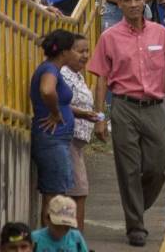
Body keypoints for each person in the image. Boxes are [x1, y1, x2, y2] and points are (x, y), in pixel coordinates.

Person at [87, 0, 165, 247]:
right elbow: (102, 79)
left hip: (154, 107)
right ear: (119, 4)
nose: (133, 4)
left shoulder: (160, 34)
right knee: (128, 169)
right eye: (127, 0)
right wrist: (100, 117)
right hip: (124, 107)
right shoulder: (110, 37)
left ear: (144, 1)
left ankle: (137, 204)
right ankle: (136, 225)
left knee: (157, 167)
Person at [30, 30, 77, 226]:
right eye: (73, 49)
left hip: (57, 140)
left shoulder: (52, 69)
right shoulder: (50, 69)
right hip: (52, 140)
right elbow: (47, 90)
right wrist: (56, 114)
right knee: (55, 197)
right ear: (64, 52)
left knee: (57, 192)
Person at [60, 34, 101, 233]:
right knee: (78, 192)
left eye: (87, 51)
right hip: (68, 139)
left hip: (78, 143)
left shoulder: (77, 74)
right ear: (66, 53)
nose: (85, 55)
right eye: (80, 51)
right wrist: (84, 113)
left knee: (78, 191)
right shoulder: (64, 74)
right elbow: (60, 102)